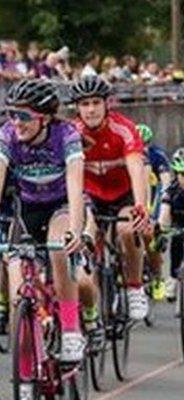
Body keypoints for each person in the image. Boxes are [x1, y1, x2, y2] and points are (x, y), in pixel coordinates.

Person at [0, 79, 88, 374]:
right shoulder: (4, 136)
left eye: (25, 116)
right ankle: (27, 374)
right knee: (20, 294)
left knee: (59, 249)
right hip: (26, 209)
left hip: (60, 207)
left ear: (44, 118)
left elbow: (75, 187)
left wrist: (76, 230)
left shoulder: (66, 135)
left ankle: (70, 329)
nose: (17, 122)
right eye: (12, 114)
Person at [70, 75, 150, 322]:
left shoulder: (123, 129)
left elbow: (137, 167)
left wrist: (140, 205)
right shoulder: (73, 133)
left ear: (107, 104)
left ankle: (135, 285)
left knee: (127, 230)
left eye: (96, 102)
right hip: (91, 197)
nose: (91, 109)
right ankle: (92, 309)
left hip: (123, 193)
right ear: (77, 108)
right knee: (87, 238)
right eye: (85, 104)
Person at [138, 123, 172, 301]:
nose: (141, 148)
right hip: (134, 197)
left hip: (153, 197)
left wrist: (161, 211)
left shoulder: (156, 155)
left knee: (150, 235)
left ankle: (158, 276)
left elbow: (166, 181)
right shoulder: (127, 154)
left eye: (145, 144)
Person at [157, 148, 184, 301]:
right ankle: (173, 279)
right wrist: (161, 230)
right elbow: (164, 213)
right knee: (177, 243)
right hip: (178, 221)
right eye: (183, 175)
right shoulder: (171, 190)